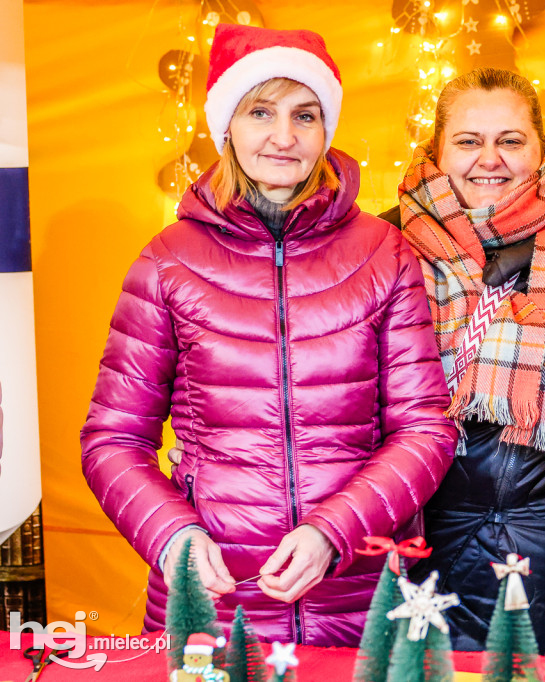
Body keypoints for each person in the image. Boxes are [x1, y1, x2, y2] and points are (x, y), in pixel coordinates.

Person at [81, 24, 456, 646]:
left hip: (363, 596)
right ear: (227, 124)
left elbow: (425, 429)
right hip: (213, 599)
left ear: (326, 128)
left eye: (305, 115)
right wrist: (171, 534)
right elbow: (113, 439)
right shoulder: (168, 262)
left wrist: (333, 532)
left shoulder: (382, 253)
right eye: (261, 112)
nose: (285, 137)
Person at [379, 67, 545, 654]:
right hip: (421, 527)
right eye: (469, 141)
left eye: (511, 140)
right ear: (437, 150)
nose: (489, 158)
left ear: (542, 148)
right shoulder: (382, 242)